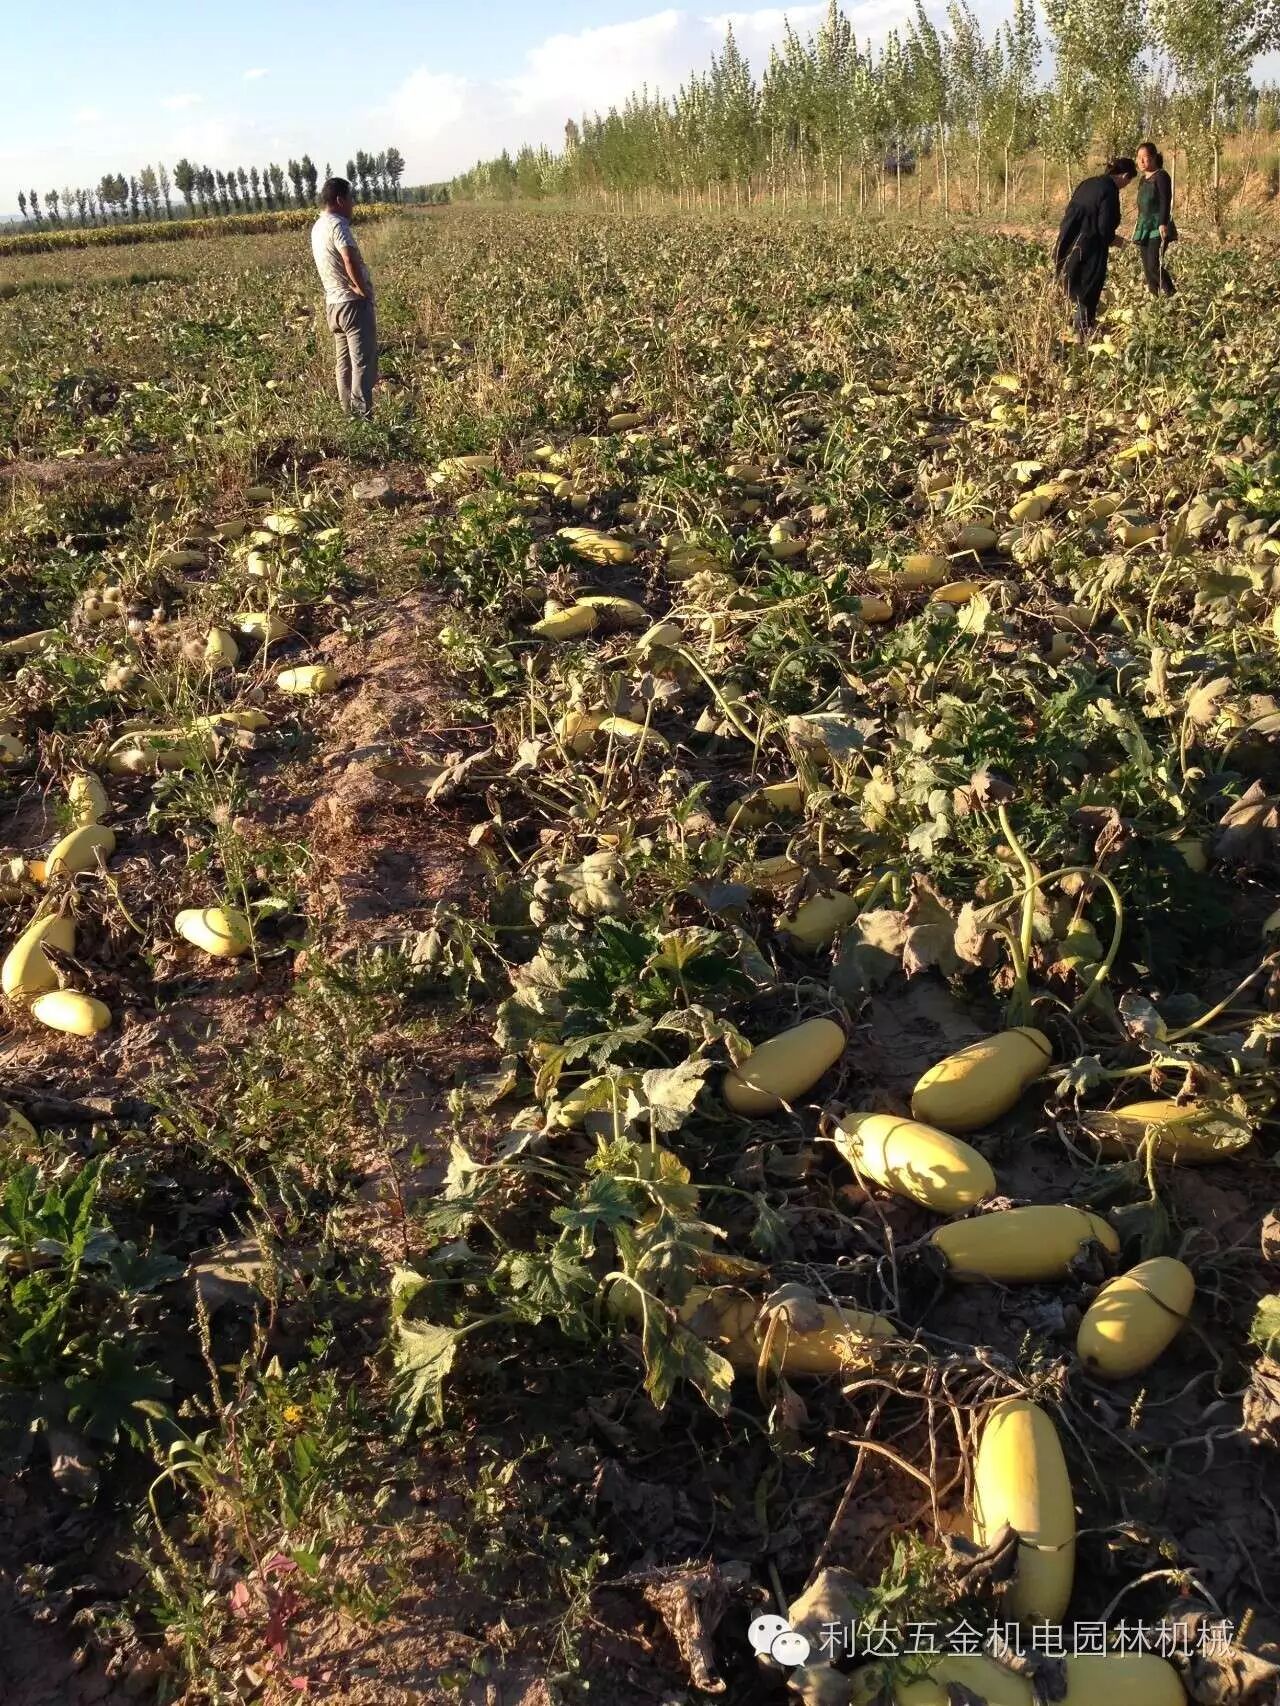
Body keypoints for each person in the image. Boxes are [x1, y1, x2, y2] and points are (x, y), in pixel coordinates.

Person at [310, 177, 377, 418]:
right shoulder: (338, 225)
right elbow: (348, 258)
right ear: (339, 200)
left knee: (344, 364)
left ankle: (347, 413)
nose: (353, 204)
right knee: (362, 364)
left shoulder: (318, 227)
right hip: (352, 306)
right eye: (351, 199)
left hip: (333, 305)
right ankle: (362, 419)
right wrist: (363, 289)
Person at [1054, 157, 1138, 340]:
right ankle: (1082, 333)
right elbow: (1104, 228)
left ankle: (1074, 328)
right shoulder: (1109, 190)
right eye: (1128, 181)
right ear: (1124, 175)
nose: (1126, 185)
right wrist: (1119, 242)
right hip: (1090, 246)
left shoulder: (1088, 183)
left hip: (1068, 240)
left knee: (1072, 283)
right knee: (1088, 288)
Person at [1134, 141, 1177, 298]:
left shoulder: (1161, 176)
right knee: (1147, 268)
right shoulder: (1142, 179)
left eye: (1145, 158)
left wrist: (1162, 223)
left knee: (1153, 265)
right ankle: (1155, 299)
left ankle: (1172, 295)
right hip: (1144, 226)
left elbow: (1166, 200)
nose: (1141, 161)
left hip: (1158, 226)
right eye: (1139, 158)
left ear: (1153, 158)